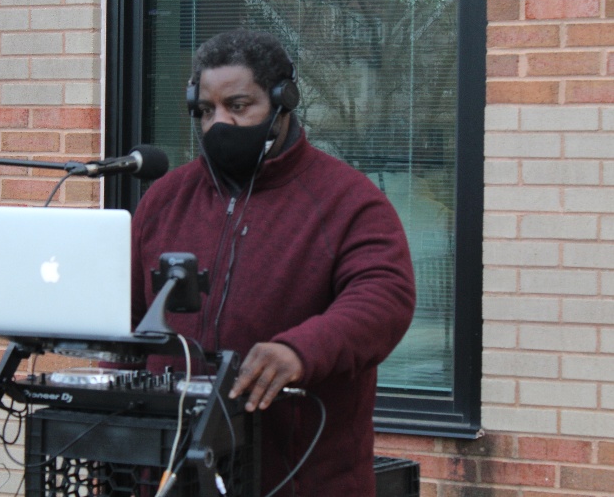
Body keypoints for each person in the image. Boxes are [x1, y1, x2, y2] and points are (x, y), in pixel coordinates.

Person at [130, 28, 416, 496]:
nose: (218, 124)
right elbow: (126, 321)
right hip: (172, 477)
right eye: (205, 110)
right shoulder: (164, 199)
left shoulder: (348, 199)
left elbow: (385, 298)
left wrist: (300, 350)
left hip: (300, 478)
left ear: (284, 101)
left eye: (238, 106)